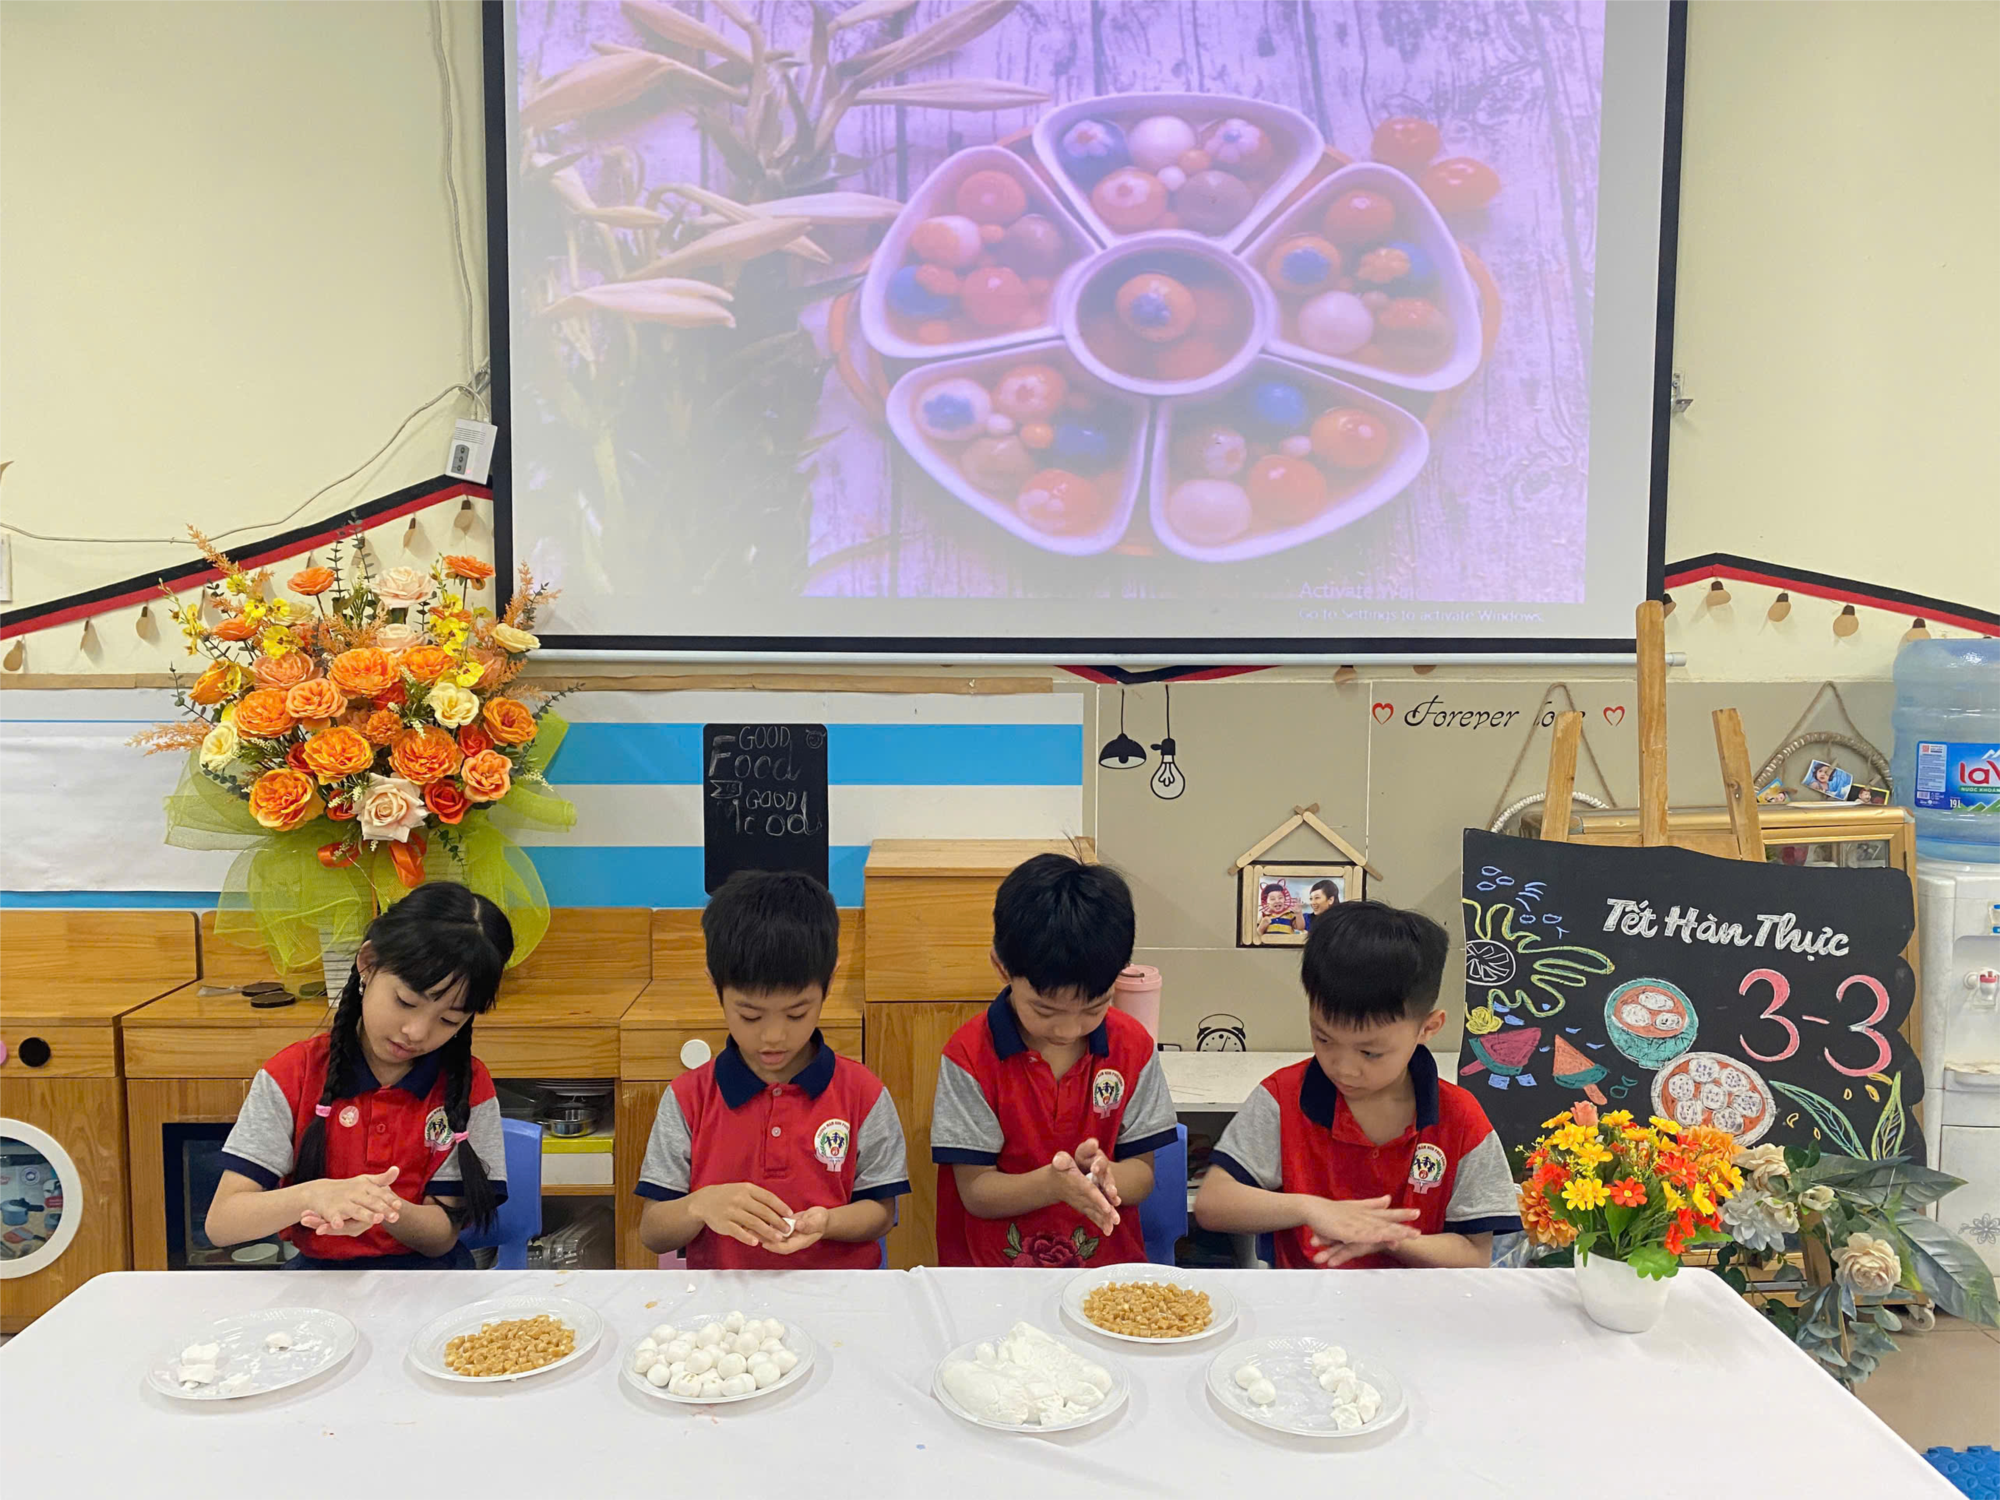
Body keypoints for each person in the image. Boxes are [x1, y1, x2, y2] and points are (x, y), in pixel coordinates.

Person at [1195, 901, 1520, 1268]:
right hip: (1305, 1300)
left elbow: (1475, 1255)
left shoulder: (1459, 1117)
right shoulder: (1283, 1096)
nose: (1343, 1069)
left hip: (1418, 1302)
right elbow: (1213, 1203)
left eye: (1370, 1053)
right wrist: (1310, 1208)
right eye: (1323, 1038)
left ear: (1428, 1028)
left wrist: (1388, 1238)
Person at [206, 882, 511, 1269]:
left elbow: (440, 1238)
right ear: (367, 962)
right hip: (318, 1279)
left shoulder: (467, 1084)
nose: (416, 1032)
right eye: (405, 1001)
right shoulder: (291, 1074)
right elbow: (223, 1223)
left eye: (449, 1020)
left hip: (429, 1279)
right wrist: (312, 1196)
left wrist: (380, 1205)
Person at [636, 871, 907, 1268]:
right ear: (715, 987)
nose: (774, 1036)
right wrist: (700, 1205)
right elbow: (653, 1231)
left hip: (837, 1295)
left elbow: (881, 1212)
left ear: (828, 985)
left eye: (797, 1013)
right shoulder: (688, 1098)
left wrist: (828, 1222)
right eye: (750, 1015)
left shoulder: (862, 1093)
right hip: (726, 1300)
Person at [931, 853, 1178, 1267]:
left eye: (1093, 1008)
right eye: (1045, 1010)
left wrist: (1106, 1175)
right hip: (992, 1278)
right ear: (1002, 967)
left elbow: (1142, 1173)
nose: (1067, 1030)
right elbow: (976, 1191)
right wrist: (1053, 1184)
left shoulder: (1132, 1048)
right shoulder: (969, 1056)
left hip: (1105, 1278)